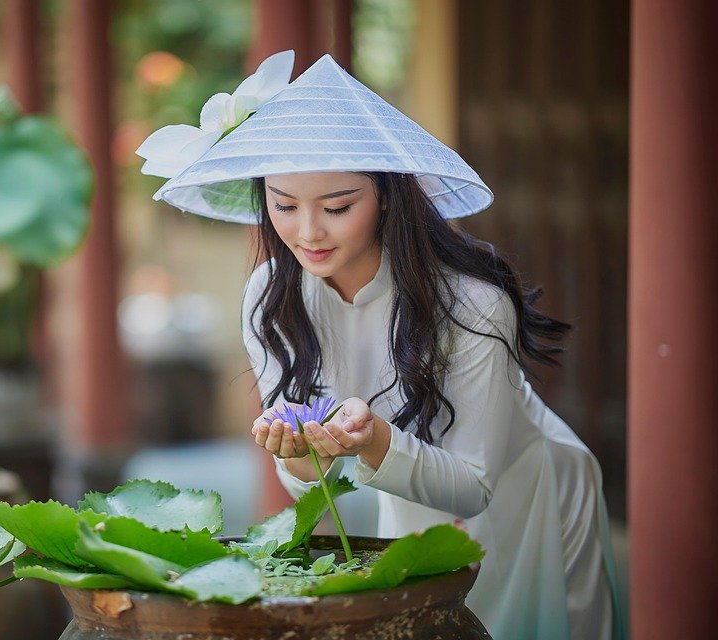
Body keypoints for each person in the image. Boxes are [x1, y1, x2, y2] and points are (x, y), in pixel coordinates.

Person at [137, 50, 625, 640]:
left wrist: (373, 441)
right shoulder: (270, 297)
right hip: (410, 498)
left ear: (388, 196)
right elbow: (306, 474)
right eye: (284, 205)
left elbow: (473, 486)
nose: (308, 232)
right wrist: (296, 453)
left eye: (337, 207)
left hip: (527, 496)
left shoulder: (470, 304)